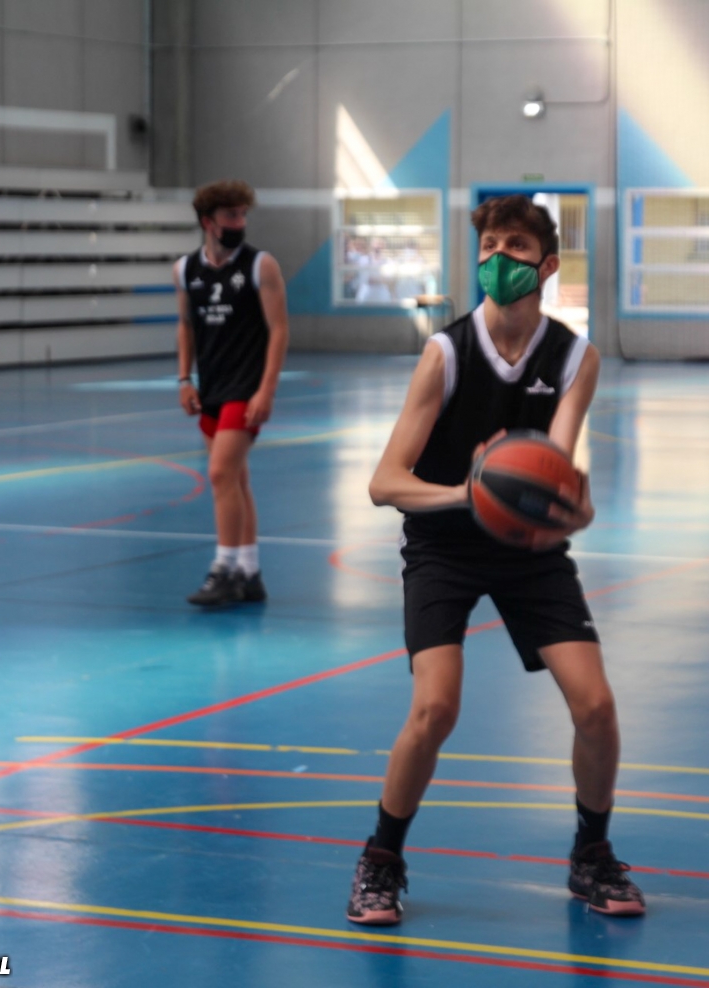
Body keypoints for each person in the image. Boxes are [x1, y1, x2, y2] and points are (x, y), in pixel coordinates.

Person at [345, 195, 645, 924]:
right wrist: (468, 493)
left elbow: (556, 472)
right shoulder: (445, 353)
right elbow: (384, 482)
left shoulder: (574, 357)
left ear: (547, 265)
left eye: (514, 247)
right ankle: (380, 859)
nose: (497, 258)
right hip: (443, 544)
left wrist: (571, 507)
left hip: (525, 548)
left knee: (597, 705)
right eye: (488, 246)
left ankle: (591, 853)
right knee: (435, 707)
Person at [175, 180, 289, 607]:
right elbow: (185, 325)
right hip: (212, 386)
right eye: (231, 216)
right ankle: (249, 572)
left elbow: (279, 329)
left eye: (243, 215)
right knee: (236, 479)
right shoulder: (185, 270)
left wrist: (267, 390)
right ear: (208, 222)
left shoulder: (261, 265)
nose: (239, 223)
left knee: (221, 472)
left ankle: (223, 569)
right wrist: (184, 379)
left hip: (246, 386)